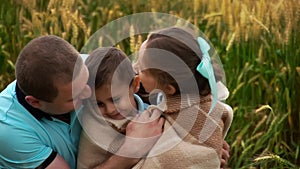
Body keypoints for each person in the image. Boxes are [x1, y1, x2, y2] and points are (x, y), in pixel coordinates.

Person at [0, 35, 163, 169]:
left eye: (87, 82)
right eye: (75, 96)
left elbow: (130, 81)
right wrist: (131, 150)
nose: (88, 93)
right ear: (35, 103)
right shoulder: (9, 132)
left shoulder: (82, 67)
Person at [134, 27, 233, 168]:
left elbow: (168, 158)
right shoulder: (200, 95)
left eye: (142, 68)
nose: (135, 67)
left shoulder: (164, 118)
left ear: (169, 89)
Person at [77, 47, 165, 168]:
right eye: (99, 104)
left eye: (115, 99)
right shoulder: (94, 124)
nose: (110, 110)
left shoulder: (151, 111)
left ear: (135, 85)